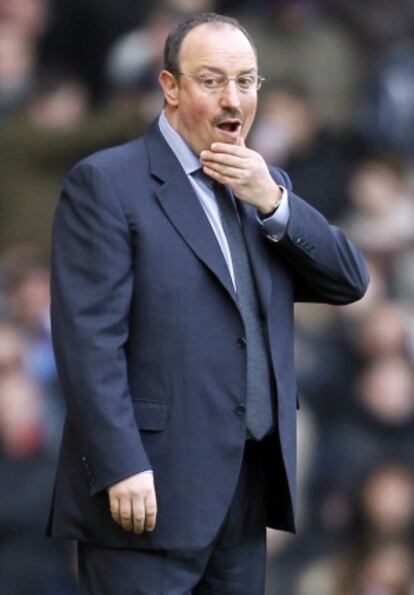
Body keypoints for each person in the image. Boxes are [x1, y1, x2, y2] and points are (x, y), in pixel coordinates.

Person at [47, 12, 369, 595]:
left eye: (246, 81)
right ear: (170, 87)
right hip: (148, 494)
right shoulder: (107, 183)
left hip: (244, 497)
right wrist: (120, 463)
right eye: (213, 80)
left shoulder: (263, 187)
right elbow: (88, 342)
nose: (234, 98)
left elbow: (348, 280)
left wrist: (273, 200)